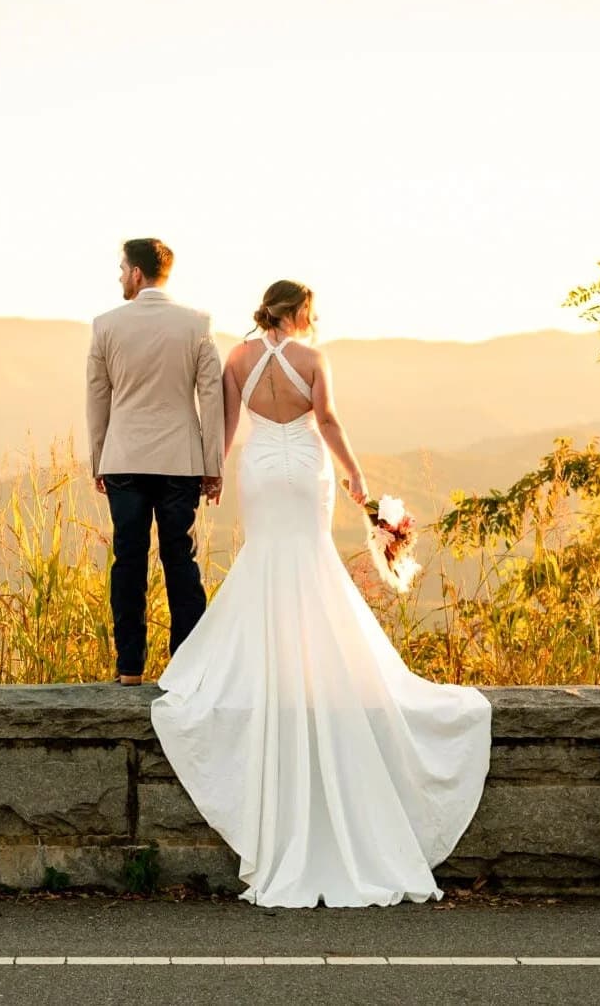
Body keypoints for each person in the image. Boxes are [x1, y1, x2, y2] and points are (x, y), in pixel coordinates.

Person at [148, 278, 493, 907]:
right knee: (310, 561)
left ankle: (268, 669)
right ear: (299, 311)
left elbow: (225, 425)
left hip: (258, 471)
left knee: (265, 561)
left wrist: (215, 473)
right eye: (311, 309)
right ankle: (316, 668)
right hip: (305, 470)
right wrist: (356, 474)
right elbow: (327, 419)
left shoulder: (238, 358)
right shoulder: (313, 359)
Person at [85, 238, 224, 686]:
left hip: (124, 457)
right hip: (181, 460)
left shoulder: (105, 325)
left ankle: (129, 668)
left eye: (122, 268)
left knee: (128, 559)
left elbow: (97, 397)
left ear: (138, 274)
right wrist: (212, 462)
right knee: (179, 559)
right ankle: (187, 669)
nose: (120, 276)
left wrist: (99, 458)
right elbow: (211, 396)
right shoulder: (197, 324)